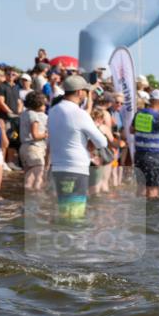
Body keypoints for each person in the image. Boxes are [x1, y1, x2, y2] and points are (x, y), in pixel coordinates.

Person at [46, 75, 109, 219]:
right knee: (75, 213)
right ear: (80, 92)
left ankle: (60, 232)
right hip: (76, 168)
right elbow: (102, 142)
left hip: (57, 167)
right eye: (86, 91)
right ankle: (73, 234)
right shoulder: (79, 113)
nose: (87, 94)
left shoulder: (53, 111)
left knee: (63, 211)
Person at [19, 91, 49, 191]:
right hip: (34, 148)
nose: (45, 106)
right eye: (44, 104)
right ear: (38, 104)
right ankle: (37, 195)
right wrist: (46, 134)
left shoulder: (24, 114)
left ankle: (27, 196)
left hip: (24, 147)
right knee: (38, 175)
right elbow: (35, 135)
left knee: (29, 176)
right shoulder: (34, 116)